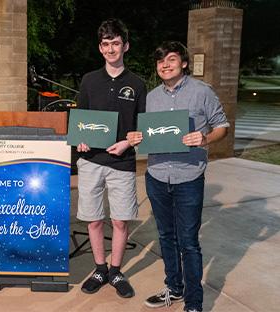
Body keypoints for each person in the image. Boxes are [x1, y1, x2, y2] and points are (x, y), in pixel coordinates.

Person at [127, 41, 229, 312]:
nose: (165, 65)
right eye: (160, 61)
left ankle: (194, 304)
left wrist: (205, 137)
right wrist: (137, 138)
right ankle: (174, 288)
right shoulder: (151, 98)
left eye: (171, 59)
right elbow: (146, 136)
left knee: (188, 242)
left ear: (183, 63)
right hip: (157, 176)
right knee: (166, 236)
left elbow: (223, 126)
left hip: (189, 178)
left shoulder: (201, 92)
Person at [76, 18, 146, 298]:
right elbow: (80, 121)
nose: (110, 48)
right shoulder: (89, 80)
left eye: (115, 43)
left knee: (119, 221)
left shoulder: (137, 84)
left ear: (125, 46)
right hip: (91, 161)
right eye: (105, 44)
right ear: (100, 48)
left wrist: (127, 142)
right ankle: (99, 268)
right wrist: (80, 138)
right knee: (93, 220)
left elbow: (143, 129)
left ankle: (116, 270)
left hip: (122, 163)